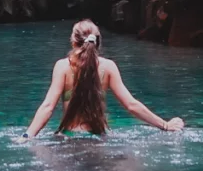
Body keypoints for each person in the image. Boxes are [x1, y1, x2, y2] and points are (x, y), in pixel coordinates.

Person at [22, 19, 185, 139]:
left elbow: (48, 106)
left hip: (68, 138)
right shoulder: (108, 67)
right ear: (98, 44)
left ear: (73, 42)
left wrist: (27, 136)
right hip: (99, 138)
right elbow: (131, 105)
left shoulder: (62, 67)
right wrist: (165, 125)